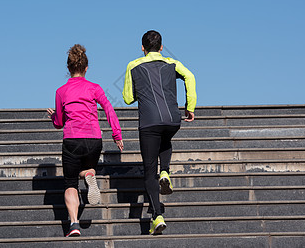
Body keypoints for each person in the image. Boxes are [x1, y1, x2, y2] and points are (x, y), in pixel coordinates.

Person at [122, 30, 197, 235]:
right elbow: (190, 77)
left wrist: (143, 91)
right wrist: (190, 106)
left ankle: (156, 215)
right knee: (166, 137)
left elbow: (128, 98)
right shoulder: (172, 63)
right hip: (173, 119)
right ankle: (165, 171)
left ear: (143, 48)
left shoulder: (133, 65)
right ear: (161, 47)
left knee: (148, 171)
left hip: (149, 122)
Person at [47, 44, 123, 237]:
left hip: (72, 140)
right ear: (86, 67)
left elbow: (59, 123)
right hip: (94, 140)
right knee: (87, 168)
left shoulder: (61, 91)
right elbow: (108, 109)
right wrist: (116, 135)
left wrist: (54, 116)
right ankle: (89, 173)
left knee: (70, 183)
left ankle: (73, 224)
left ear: (68, 68)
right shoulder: (94, 88)